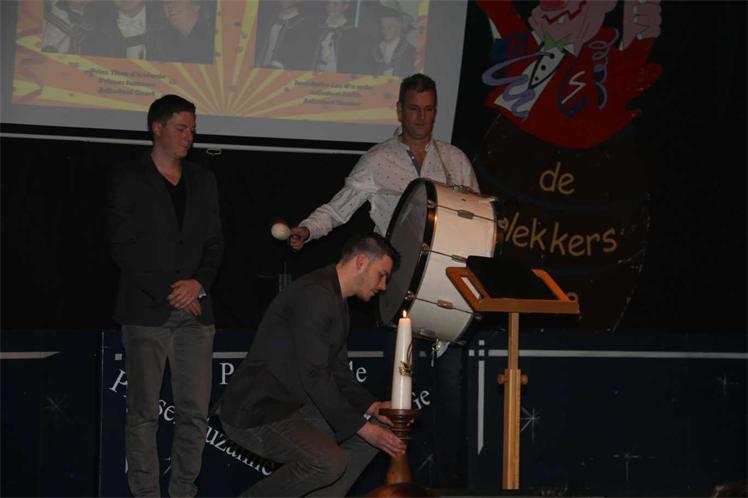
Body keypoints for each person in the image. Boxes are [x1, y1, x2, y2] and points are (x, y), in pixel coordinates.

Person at [219, 233, 406, 497]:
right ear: (361, 261)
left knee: (376, 436)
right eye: (382, 275)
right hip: (258, 409)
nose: (383, 286)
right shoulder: (316, 295)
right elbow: (315, 374)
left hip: (291, 406)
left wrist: (373, 408)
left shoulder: (336, 300)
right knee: (329, 461)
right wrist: (363, 427)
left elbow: (338, 372)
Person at [108, 94, 224, 497]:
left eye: (192, 129)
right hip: (146, 310)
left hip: (196, 312)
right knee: (144, 413)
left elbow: (215, 244)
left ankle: (183, 492)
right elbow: (122, 245)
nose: (189, 136)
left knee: (195, 413)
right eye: (181, 128)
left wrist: (198, 284)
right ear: (156, 128)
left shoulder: (203, 180)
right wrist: (169, 290)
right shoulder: (129, 178)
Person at [289, 73, 479, 249]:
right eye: (414, 109)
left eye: (428, 109)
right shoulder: (377, 159)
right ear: (400, 110)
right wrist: (308, 230)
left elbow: (480, 218)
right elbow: (337, 210)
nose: (421, 117)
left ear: (435, 112)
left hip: (445, 262)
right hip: (395, 263)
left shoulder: (456, 159)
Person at [369, 2, 416, 77]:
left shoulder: (411, 52)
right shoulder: (374, 49)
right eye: (383, 27)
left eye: (390, 27)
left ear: (399, 27)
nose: (385, 31)